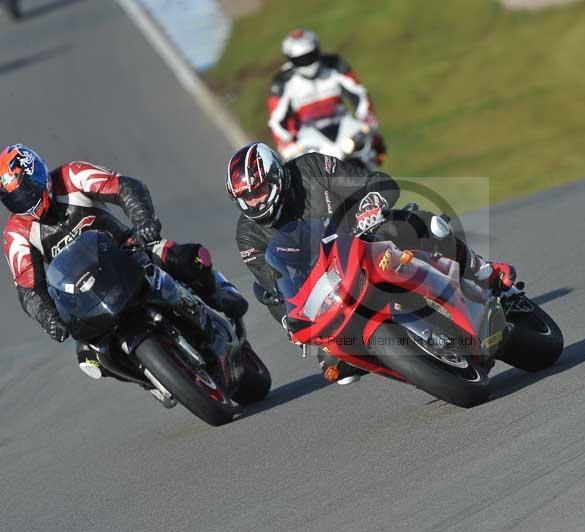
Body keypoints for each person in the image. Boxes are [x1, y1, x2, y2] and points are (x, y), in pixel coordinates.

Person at [227, 142, 515, 384]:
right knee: (336, 367)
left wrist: (370, 202)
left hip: (364, 239)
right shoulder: (248, 236)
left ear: (278, 177)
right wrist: (294, 325)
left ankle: (483, 272)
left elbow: (367, 181)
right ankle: (418, 367)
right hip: (327, 287)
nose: (255, 202)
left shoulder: (310, 168)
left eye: (259, 191)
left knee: (414, 227)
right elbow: (276, 286)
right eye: (246, 198)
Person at [1, 144, 249, 382]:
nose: (26, 201)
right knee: (88, 359)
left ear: (39, 175)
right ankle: (151, 379)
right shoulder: (15, 234)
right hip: (84, 294)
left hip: (128, 251)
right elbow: (28, 288)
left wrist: (144, 221)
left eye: (27, 190)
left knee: (186, 258)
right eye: (15, 199)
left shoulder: (71, 176)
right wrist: (48, 318)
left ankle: (219, 293)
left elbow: (124, 187)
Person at [267, 28, 386, 162]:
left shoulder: (335, 64)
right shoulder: (282, 81)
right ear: (291, 60)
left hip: (343, 124)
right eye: (301, 60)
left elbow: (359, 93)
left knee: (372, 151)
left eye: (310, 56)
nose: (307, 63)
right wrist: (287, 145)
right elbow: (276, 121)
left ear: (317, 51)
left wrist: (367, 121)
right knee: (301, 171)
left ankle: (378, 180)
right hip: (309, 136)